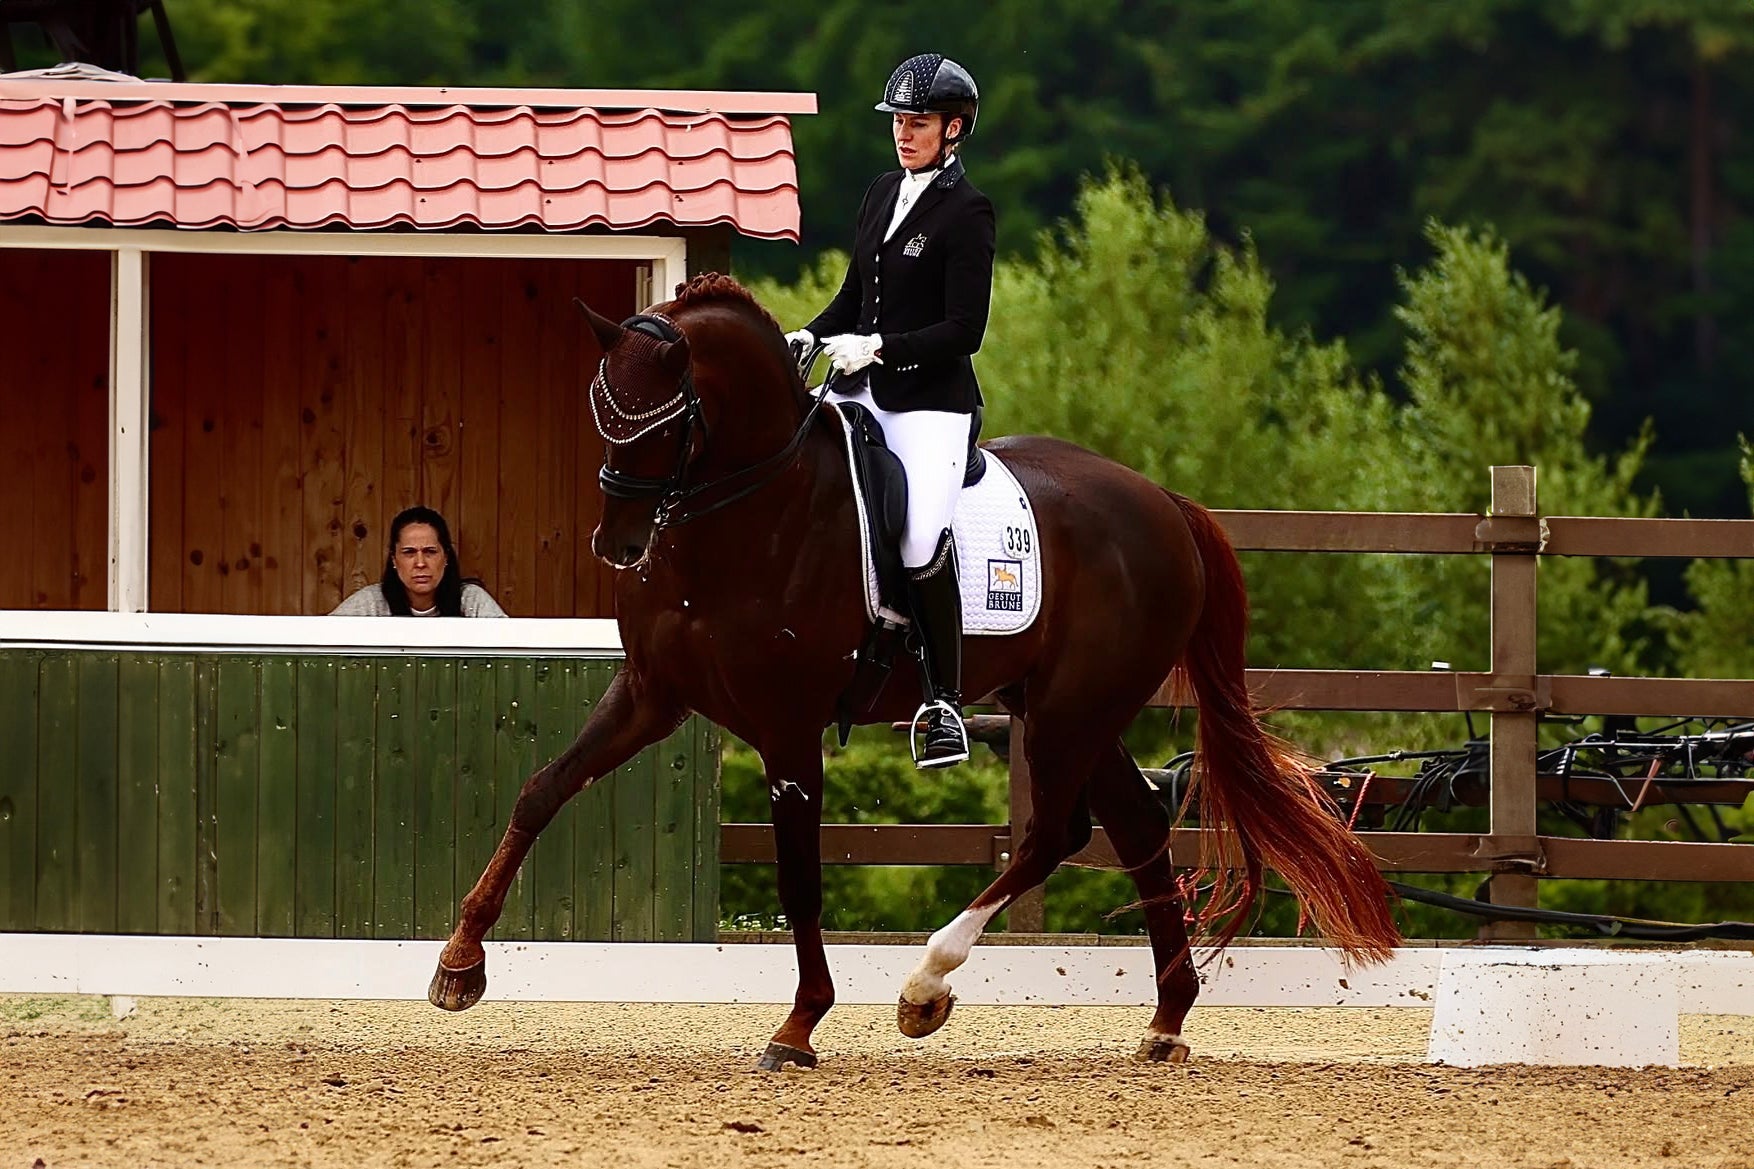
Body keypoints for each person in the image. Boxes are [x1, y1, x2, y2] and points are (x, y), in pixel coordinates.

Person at [785, 53, 994, 769]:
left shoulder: (968, 212)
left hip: (930, 403)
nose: (905, 133)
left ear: (954, 128)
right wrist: (812, 331)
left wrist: (879, 348)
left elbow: (965, 331)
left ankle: (943, 702)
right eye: (900, 121)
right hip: (862, 386)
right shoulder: (881, 191)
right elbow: (853, 296)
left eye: (920, 122)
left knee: (916, 538)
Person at [330, 506, 507, 617]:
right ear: (394, 559)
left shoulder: (471, 600)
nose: (420, 563)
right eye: (409, 552)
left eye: (430, 552)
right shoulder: (370, 603)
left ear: (445, 557)